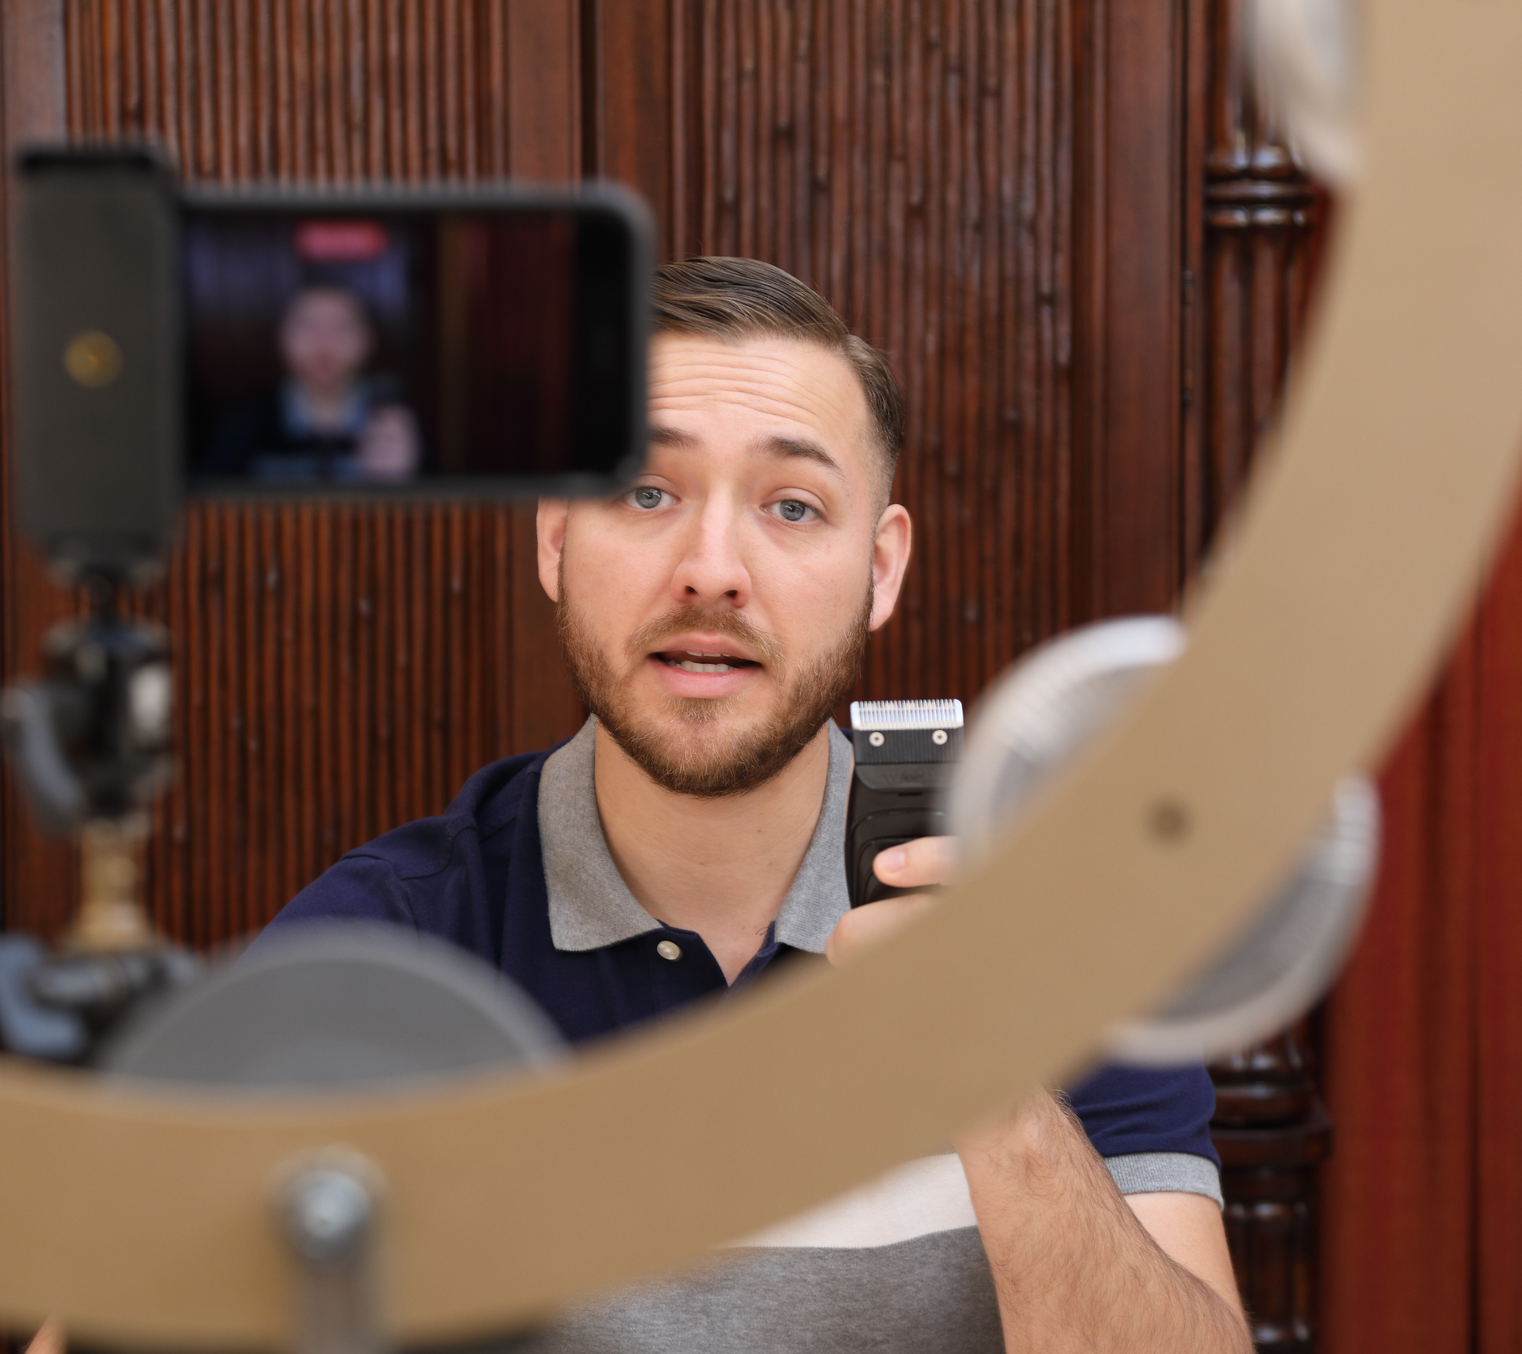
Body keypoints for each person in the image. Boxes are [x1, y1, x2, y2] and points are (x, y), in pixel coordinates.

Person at [266, 256, 1251, 1353]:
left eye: (792, 505)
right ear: (554, 537)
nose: (712, 570)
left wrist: (997, 1083)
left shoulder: (1059, 934)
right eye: (645, 491)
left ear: (880, 571)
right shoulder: (379, 951)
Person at [196, 279, 423, 483]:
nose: (324, 342)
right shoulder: (245, 425)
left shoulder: (398, 425)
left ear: (368, 340)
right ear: (282, 338)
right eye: (308, 326)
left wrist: (402, 483)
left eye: (341, 327)